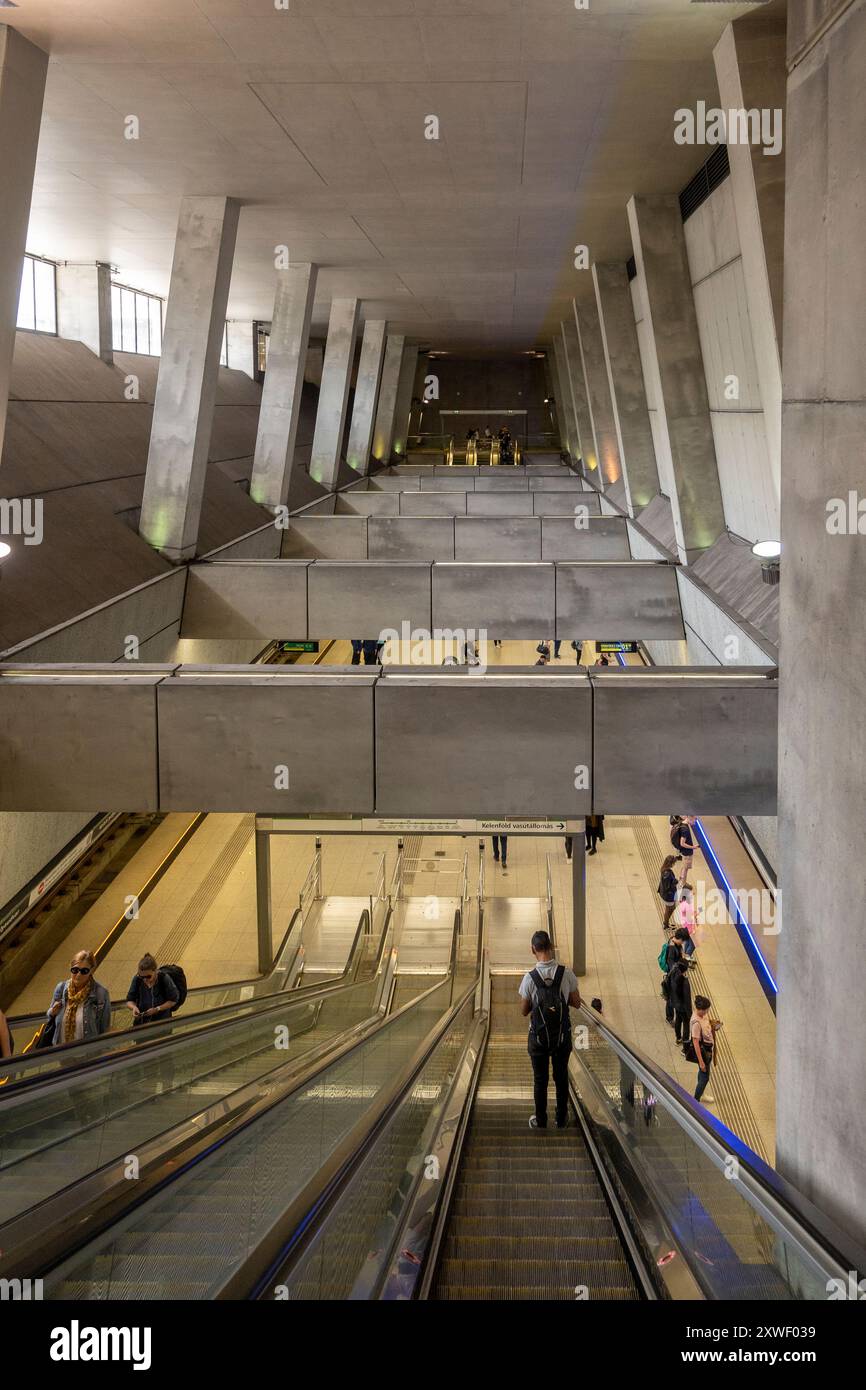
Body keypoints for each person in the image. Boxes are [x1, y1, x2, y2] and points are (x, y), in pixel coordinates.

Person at [518, 930, 581, 1130]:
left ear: (532, 950)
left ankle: (541, 1120)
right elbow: (576, 1003)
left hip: (538, 1039)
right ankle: (562, 1119)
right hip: (562, 1038)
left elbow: (524, 1011)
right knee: (561, 1077)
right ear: (552, 947)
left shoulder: (530, 979)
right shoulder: (566, 973)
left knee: (540, 1080)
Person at [47, 950, 111, 1046]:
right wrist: (52, 1012)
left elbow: (104, 1027)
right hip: (62, 1051)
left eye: (84, 971)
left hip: (88, 1052)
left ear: (92, 971)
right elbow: (49, 1016)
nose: (78, 974)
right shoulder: (61, 989)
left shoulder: (100, 994)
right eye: (75, 970)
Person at [126, 954, 179, 1028]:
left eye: (148, 976)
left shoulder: (164, 979)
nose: (145, 980)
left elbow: (173, 1000)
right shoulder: (137, 979)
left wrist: (157, 1009)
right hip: (142, 1024)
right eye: (142, 976)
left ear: (155, 971)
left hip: (162, 1024)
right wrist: (133, 1007)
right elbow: (129, 1000)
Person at [690, 994, 721, 1105]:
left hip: (708, 1049)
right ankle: (696, 1101)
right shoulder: (696, 1023)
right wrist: (701, 1061)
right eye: (707, 1010)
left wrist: (713, 1026)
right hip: (703, 1052)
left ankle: (701, 1094)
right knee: (705, 1077)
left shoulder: (703, 1015)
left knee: (702, 1073)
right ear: (702, 1010)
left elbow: (707, 1025)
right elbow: (696, 1043)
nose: (708, 1011)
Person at [668, 959, 693, 1044]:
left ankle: (678, 1038)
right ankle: (685, 1043)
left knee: (678, 1020)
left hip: (676, 1003)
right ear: (685, 969)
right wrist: (689, 1012)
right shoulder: (685, 982)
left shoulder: (673, 973)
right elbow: (687, 999)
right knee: (686, 1024)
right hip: (683, 1007)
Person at [672, 814, 697, 883]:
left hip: (685, 852)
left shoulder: (682, 824)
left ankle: (682, 882)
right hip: (687, 852)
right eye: (695, 819)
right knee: (685, 869)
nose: (695, 822)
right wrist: (693, 847)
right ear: (690, 818)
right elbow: (682, 843)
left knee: (684, 867)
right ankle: (683, 884)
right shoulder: (685, 829)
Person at [658, 854, 681, 929]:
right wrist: (676, 881)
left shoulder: (664, 869)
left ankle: (666, 922)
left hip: (666, 894)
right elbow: (668, 886)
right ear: (670, 863)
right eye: (673, 863)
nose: (674, 865)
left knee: (671, 908)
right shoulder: (667, 873)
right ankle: (666, 925)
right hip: (668, 895)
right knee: (669, 909)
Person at [677, 882, 698, 954]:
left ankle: (685, 954)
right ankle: (687, 957)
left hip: (685, 925)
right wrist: (695, 914)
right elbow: (690, 917)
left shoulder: (683, 901)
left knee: (688, 941)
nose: (693, 893)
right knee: (693, 944)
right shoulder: (687, 904)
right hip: (690, 927)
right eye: (691, 892)